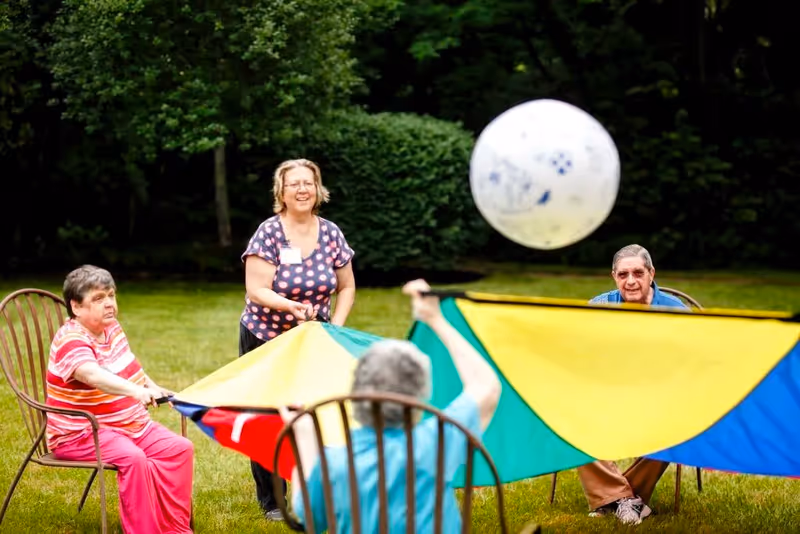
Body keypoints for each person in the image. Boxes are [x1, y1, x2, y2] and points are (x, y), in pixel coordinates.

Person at [280, 279, 502, 533]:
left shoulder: (335, 463)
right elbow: (487, 386)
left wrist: (304, 439)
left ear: (356, 392)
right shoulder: (436, 442)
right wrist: (436, 319)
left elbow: (309, 518)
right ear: (419, 394)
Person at [240, 158, 356, 520]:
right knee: (268, 415)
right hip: (265, 335)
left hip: (313, 337)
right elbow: (256, 288)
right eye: (294, 184)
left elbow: (347, 285)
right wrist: (291, 305)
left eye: (309, 183)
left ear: (318, 189)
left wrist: (334, 324)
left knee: (315, 413)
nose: (302, 190)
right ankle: (273, 500)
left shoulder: (332, 232)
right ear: (282, 192)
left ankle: (316, 489)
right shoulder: (270, 232)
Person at [46, 265, 193, 534]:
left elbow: (130, 366)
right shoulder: (72, 339)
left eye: (111, 296)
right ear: (76, 307)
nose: (109, 304)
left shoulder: (111, 328)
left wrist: (154, 387)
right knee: (133, 458)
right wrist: (136, 393)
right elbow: (91, 374)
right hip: (82, 432)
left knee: (180, 448)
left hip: (129, 425)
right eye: (98, 298)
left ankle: (175, 528)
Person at [579, 244, 687, 525]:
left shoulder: (677, 312)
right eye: (623, 274)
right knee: (572, 420)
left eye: (638, 273)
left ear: (651, 274)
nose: (631, 281)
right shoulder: (598, 307)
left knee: (684, 423)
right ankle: (629, 501)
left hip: (660, 401)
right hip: (608, 398)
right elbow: (579, 357)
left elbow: (694, 364)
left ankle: (614, 498)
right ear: (614, 276)